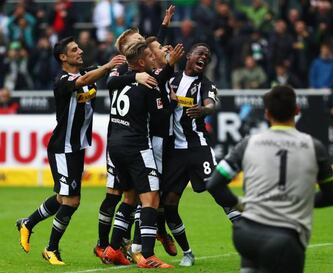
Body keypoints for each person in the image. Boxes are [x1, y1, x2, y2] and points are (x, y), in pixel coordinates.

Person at [16, 36, 125, 265]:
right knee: (71, 201)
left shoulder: (88, 72)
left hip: (77, 147)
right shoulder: (62, 80)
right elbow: (86, 78)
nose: (81, 51)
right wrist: (107, 66)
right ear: (63, 57)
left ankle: (28, 223)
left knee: (61, 197)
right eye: (75, 50)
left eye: (79, 48)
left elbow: (97, 73)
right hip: (63, 148)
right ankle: (51, 249)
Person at [207, 85, 333, 273]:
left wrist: (242, 204)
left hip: (246, 234)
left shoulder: (248, 143)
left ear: (267, 114)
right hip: (286, 239)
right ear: (297, 111)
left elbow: (214, 184)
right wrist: (297, 200)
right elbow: (330, 197)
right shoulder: (314, 147)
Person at [161, 43, 242, 267]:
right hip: (175, 152)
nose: (204, 57)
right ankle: (187, 253)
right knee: (168, 203)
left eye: (207, 55)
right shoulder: (171, 80)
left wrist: (203, 110)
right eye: (201, 53)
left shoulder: (206, 84)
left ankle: (250, 238)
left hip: (198, 148)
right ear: (188, 55)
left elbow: (211, 104)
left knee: (218, 191)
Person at [105, 41, 182, 268]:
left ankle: (112, 248)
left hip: (115, 145)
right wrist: (173, 103)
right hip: (137, 146)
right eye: (149, 56)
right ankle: (147, 255)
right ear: (140, 62)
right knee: (151, 198)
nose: (152, 59)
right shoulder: (147, 83)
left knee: (129, 198)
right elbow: (159, 118)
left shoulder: (121, 80)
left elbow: (110, 82)